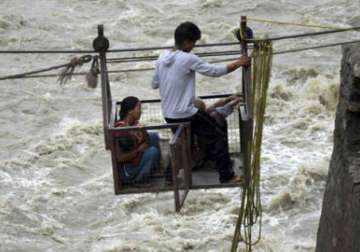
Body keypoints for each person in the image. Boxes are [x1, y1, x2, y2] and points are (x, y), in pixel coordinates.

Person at [151, 21, 251, 183]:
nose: (193, 46)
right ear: (186, 42)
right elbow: (213, 71)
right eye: (193, 43)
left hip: (169, 114)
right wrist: (238, 63)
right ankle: (226, 176)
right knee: (217, 135)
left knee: (184, 144)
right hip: (185, 113)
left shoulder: (162, 58)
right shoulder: (188, 58)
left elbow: (154, 84)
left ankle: (170, 177)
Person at [113, 96, 161, 185]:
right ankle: (140, 180)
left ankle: (155, 168)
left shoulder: (133, 124)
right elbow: (120, 157)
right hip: (128, 170)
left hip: (135, 158)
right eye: (138, 108)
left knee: (154, 135)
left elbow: (146, 140)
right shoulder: (121, 130)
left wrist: (143, 131)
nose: (141, 111)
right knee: (153, 151)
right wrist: (138, 150)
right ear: (130, 111)